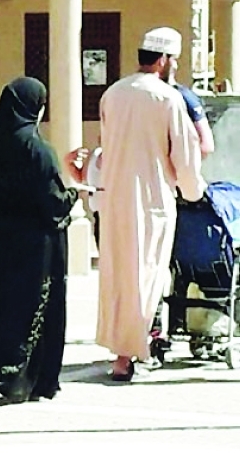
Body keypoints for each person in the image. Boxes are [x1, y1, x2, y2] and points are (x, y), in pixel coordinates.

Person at [86, 27, 206, 381]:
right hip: (152, 198)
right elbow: (185, 156)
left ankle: (122, 352)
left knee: (118, 275)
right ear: (165, 60)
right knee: (147, 275)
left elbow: (106, 146)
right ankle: (129, 354)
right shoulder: (166, 98)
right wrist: (194, 191)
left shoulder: (113, 94)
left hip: (113, 197)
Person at [0, 77, 78, 404]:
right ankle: (25, 379)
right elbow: (53, 202)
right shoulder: (38, 150)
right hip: (36, 250)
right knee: (35, 309)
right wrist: (74, 193)